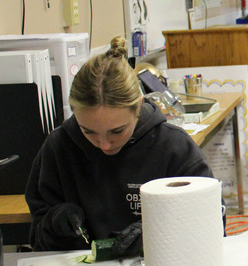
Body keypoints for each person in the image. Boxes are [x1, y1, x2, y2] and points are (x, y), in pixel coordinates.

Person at [26, 36, 218, 254]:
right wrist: (54, 223)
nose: (104, 145)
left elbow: (212, 225)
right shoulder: (58, 147)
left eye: (117, 131)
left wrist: (159, 234)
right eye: (88, 131)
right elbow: (37, 234)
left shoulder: (173, 148)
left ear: (137, 107)